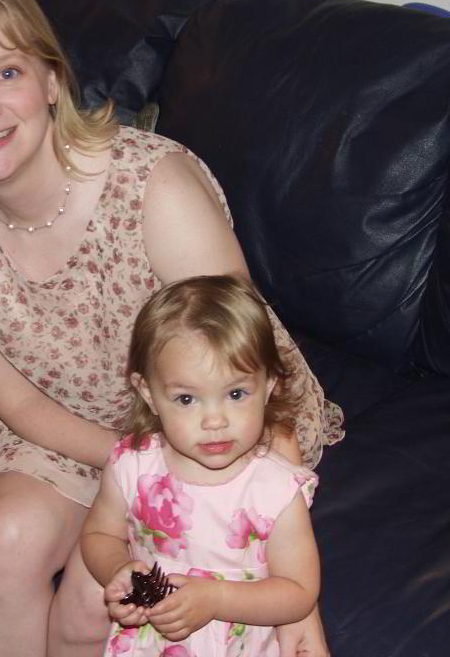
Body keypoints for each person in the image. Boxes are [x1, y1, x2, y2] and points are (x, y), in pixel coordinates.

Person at [0, 0, 344, 657]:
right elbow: (15, 399)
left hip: (209, 414)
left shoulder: (153, 187)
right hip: (61, 421)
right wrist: (132, 468)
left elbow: (242, 354)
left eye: (7, 73)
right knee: (7, 541)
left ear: (51, 82)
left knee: (90, 604)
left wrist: (293, 592)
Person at [81, 274, 322, 657]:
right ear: (149, 393)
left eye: (236, 393)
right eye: (186, 399)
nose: (214, 421)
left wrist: (217, 598)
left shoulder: (276, 490)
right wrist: (118, 569)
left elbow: (299, 592)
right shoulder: (132, 465)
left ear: (268, 386)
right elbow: (99, 534)